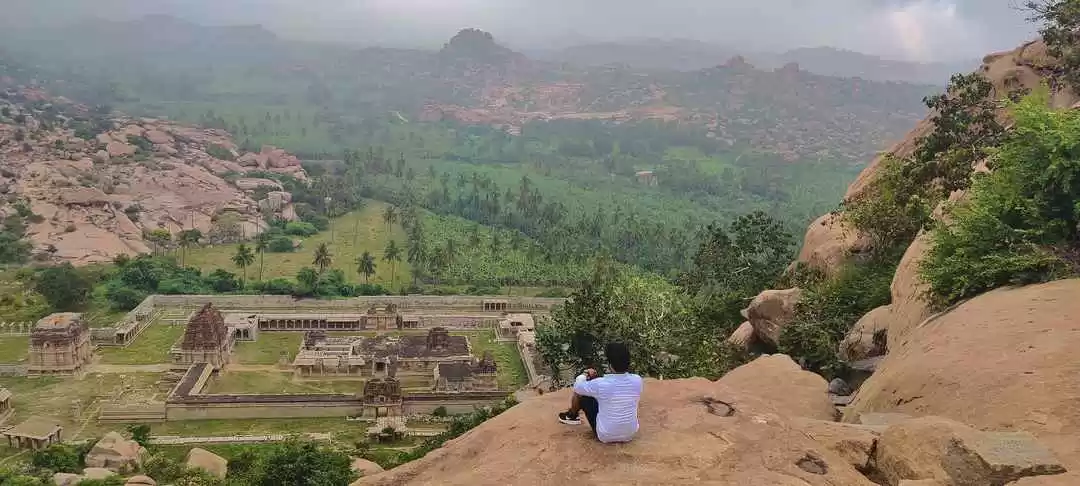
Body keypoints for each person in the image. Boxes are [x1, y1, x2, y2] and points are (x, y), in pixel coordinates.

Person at [557, 342, 643, 443]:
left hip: (605, 435)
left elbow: (577, 387)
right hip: (630, 434)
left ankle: (572, 416)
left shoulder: (601, 383)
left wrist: (585, 374)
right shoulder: (637, 380)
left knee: (583, 395)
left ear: (610, 364)